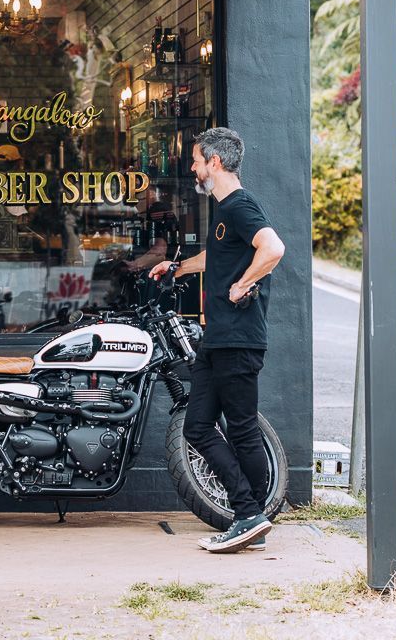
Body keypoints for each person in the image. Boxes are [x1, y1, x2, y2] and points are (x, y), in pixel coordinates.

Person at [147, 127, 285, 554]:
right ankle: (251, 515)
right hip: (218, 338)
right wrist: (178, 268)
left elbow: (273, 248)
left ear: (215, 163)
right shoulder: (225, 211)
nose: (192, 168)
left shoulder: (241, 205)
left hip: (239, 338)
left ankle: (249, 514)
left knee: (242, 428)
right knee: (197, 426)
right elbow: (219, 256)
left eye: (195, 161)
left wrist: (243, 284)